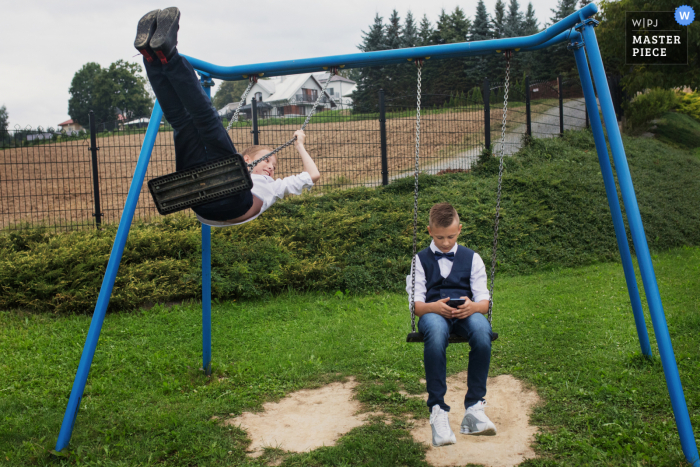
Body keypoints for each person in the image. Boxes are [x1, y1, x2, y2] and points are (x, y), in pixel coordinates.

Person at [134, 7, 320, 226]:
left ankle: (166, 56)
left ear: (248, 161)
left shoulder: (265, 183)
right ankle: (154, 57)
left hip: (227, 202)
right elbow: (315, 175)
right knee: (190, 123)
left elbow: (312, 176)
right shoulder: (261, 181)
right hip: (212, 195)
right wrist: (299, 144)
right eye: (270, 162)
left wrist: (300, 145)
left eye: (270, 162)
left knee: (191, 123)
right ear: (247, 161)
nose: (271, 167)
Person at [406, 202, 496, 447]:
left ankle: (474, 409)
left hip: (468, 312)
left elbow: (484, 303)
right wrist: (434, 307)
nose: (445, 242)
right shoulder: (420, 260)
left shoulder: (472, 258)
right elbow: (416, 306)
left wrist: (473, 306)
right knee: (435, 333)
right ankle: (438, 410)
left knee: (481, 330)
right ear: (429, 231)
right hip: (434, 313)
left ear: (460, 230)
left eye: (451, 236)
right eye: (439, 237)